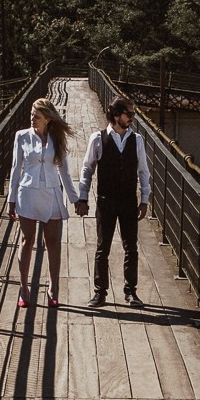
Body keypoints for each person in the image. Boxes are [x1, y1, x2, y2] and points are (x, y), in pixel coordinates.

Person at [7, 98, 82, 308]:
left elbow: (65, 172)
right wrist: (10, 200)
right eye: (31, 114)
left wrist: (75, 199)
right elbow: (15, 169)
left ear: (48, 119)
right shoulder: (21, 137)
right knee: (27, 240)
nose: (32, 119)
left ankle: (53, 287)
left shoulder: (56, 139)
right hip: (27, 193)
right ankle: (24, 287)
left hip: (51, 193)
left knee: (53, 242)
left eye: (37, 116)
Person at [77, 96, 151, 308]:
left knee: (131, 248)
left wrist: (144, 199)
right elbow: (87, 169)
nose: (133, 118)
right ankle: (100, 292)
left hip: (128, 200)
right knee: (103, 248)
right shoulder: (97, 139)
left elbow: (143, 172)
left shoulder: (137, 140)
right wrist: (83, 197)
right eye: (130, 114)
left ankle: (131, 292)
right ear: (117, 115)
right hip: (105, 200)